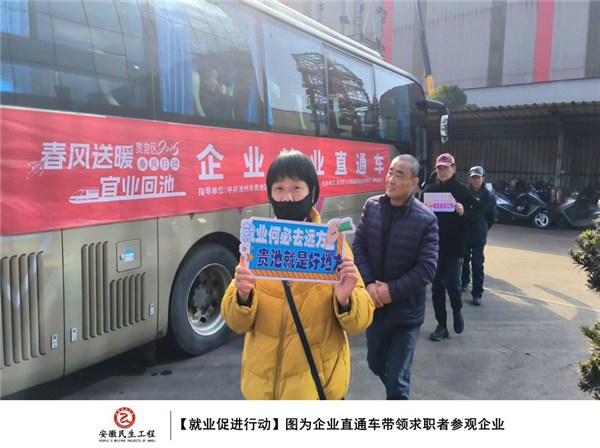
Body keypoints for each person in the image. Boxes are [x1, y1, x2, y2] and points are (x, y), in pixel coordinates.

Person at [221, 149, 374, 400]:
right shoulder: (257, 245)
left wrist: (345, 300)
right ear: (270, 194)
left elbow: (359, 323)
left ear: (312, 193)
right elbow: (236, 323)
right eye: (279, 189)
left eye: (296, 188)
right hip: (262, 391)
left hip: (314, 389)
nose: (288, 198)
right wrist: (242, 296)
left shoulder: (331, 244)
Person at [353, 154, 439, 399]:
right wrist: (370, 285)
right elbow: (358, 247)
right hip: (375, 309)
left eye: (399, 175)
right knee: (375, 363)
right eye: (390, 172)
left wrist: (390, 292)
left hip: (406, 315)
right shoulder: (372, 207)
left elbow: (427, 268)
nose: (390, 179)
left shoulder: (426, 219)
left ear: (414, 183)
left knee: (397, 383)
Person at [422, 153, 477, 342]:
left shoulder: (462, 191)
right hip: (434, 248)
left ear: (454, 168)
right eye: (440, 168)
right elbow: (419, 215)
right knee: (437, 288)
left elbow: (476, 215)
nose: (442, 171)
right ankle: (442, 326)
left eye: (446, 167)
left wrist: (464, 212)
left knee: (453, 285)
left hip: (455, 247)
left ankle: (457, 311)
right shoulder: (429, 191)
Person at [461, 166, 496, 306]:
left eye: (478, 177)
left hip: (479, 234)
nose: (476, 180)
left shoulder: (489, 197)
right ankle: (464, 282)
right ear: (469, 178)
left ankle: (477, 293)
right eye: (473, 177)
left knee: (477, 263)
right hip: (464, 232)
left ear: (483, 179)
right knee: (464, 260)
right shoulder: (463, 193)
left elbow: (492, 217)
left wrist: (484, 228)